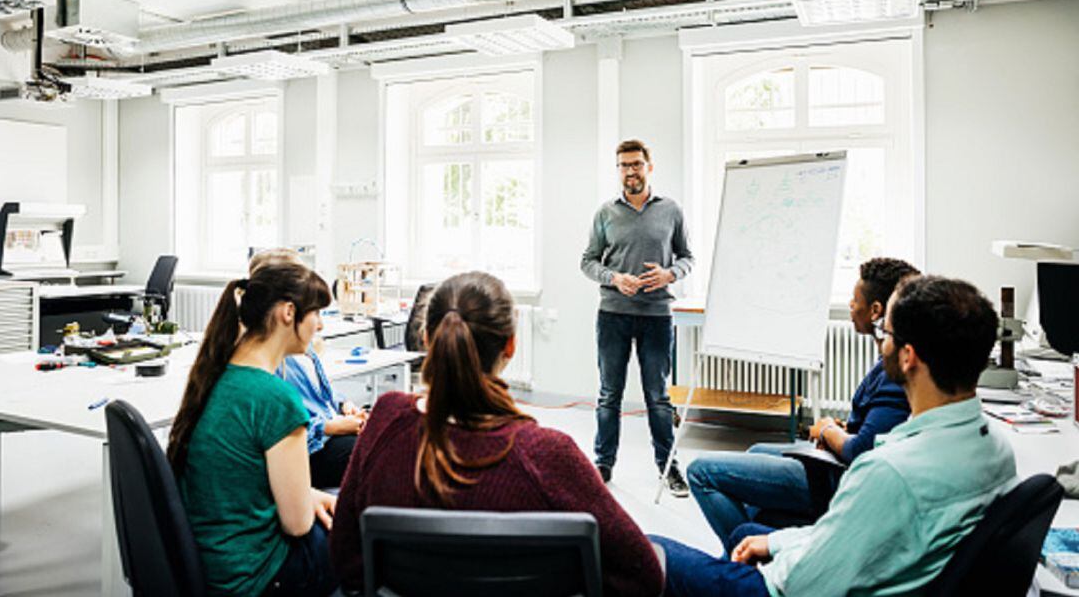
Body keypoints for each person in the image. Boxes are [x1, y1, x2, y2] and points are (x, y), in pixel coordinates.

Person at [653, 275, 1017, 597]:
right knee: (745, 534)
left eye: (886, 332)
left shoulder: (888, 473)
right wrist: (776, 541)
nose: (881, 341)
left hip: (779, 588)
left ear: (908, 357)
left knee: (646, 553)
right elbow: (840, 536)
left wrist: (776, 555)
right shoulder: (997, 448)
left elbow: (804, 583)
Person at [330, 271, 663, 596]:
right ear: (511, 345)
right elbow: (643, 578)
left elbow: (346, 557)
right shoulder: (548, 455)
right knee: (665, 551)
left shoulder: (385, 418)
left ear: (427, 340)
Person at [688, 257, 918, 551]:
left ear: (876, 311)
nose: (850, 305)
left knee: (701, 472)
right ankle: (751, 540)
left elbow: (862, 450)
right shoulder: (885, 361)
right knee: (756, 451)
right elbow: (877, 429)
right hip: (839, 464)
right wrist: (842, 429)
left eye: (854, 299)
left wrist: (827, 431)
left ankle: (747, 556)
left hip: (841, 478)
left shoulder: (892, 372)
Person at [168, 262, 339, 596]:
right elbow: (297, 524)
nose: (320, 324)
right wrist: (307, 502)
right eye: (317, 313)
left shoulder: (216, 375)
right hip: (258, 576)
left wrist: (307, 495)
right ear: (289, 313)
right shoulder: (276, 398)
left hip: (217, 564)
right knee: (358, 534)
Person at [581, 138, 694, 495]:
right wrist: (614, 278)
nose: (630, 171)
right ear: (618, 170)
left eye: (636, 164)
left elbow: (687, 257)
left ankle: (668, 467)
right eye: (624, 165)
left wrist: (669, 274)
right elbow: (588, 261)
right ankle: (603, 465)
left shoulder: (671, 210)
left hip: (657, 316)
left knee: (658, 398)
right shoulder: (605, 213)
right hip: (613, 315)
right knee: (608, 395)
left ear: (649, 166)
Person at [249, 249, 367, 489]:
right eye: (315, 312)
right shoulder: (270, 366)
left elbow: (319, 393)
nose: (320, 324)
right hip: (310, 449)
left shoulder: (301, 347)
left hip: (322, 436)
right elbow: (280, 432)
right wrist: (332, 426)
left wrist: (343, 405)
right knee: (377, 451)